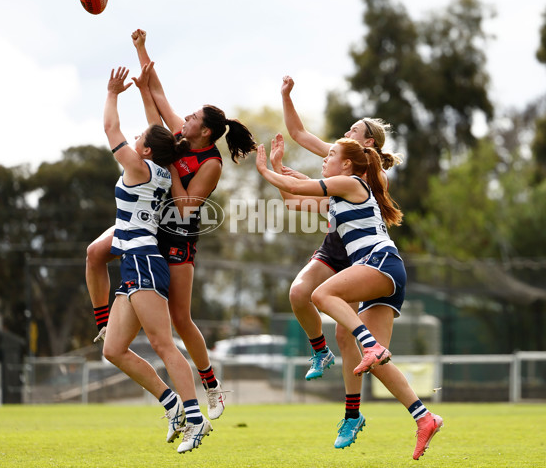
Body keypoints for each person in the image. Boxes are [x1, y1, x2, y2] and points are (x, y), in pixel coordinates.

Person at [85, 29, 257, 421]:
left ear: (205, 132)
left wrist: (167, 167)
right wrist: (141, 49)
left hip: (176, 235)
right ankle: (104, 323)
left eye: (194, 117)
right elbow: (158, 98)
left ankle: (210, 386)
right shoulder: (181, 136)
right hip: (145, 225)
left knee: (180, 320)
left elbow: (183, 207)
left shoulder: (209, 164)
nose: (187, 118)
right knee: (95, 253)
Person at [256, 137, 443, 461]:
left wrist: (263, 169)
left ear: (346, 164)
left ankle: (368, 344)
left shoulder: (351, 181)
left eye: (331, 154)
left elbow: (296, 183)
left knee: (321, 293)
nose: (325, 159)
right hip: (385, 275)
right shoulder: (339, 198)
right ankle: (424, 417)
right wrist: (276, 168)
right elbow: (294, 196)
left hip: (380, 262)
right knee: (379, 365)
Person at [274, 75, 402, 449]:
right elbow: (298, 132)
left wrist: (286, 180)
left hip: (363, 253)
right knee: (300, 292)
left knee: (350, 337)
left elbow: (319, 198)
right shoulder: (340, 158)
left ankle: (351, 415)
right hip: (338, 244)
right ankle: (319, 351)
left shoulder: (367, 175)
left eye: (353, 130)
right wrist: (286, 96)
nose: (344, 133)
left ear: (367, 144)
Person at [100, 66, 213, 453]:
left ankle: (196, 420)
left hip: (144, 259)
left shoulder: (139, 166)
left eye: (140, 139)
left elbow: (111, 131)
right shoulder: (161, 168)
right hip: (136, 261)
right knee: (113, 349)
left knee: (164, 344)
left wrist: (113, 92)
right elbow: (155, 131)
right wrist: (146, 83)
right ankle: (172, 404)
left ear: (146, 151)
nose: (133, 139)